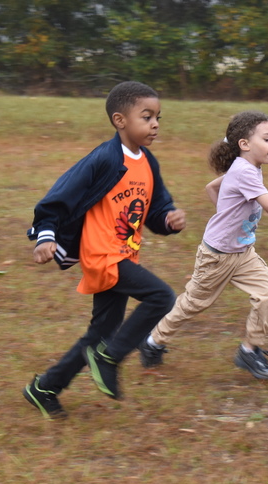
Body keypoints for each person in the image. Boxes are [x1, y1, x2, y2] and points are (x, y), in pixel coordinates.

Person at [22, 81, 186, 418]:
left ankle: (45, 388)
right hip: (101, 255)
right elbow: (56, 200)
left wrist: (168, 220)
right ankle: (110, 358)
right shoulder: (104, 159)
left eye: (158, 117)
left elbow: (155, 210)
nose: (155, 124)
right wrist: (45, 238)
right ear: (119, 120)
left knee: (100, 333)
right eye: (147, 116)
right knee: (162, 297)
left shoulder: (148, 162)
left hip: (124, 254)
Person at [137, 110, 268, 379]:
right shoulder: (244, 172)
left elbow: (212, 187)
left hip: (242, 253)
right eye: (267, 138)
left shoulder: (248, 168)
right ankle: (152, 342)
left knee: (267, 293)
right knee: (193, 304)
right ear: (244, 144)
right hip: (216, 257)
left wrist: (227, 215)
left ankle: (249, 351)